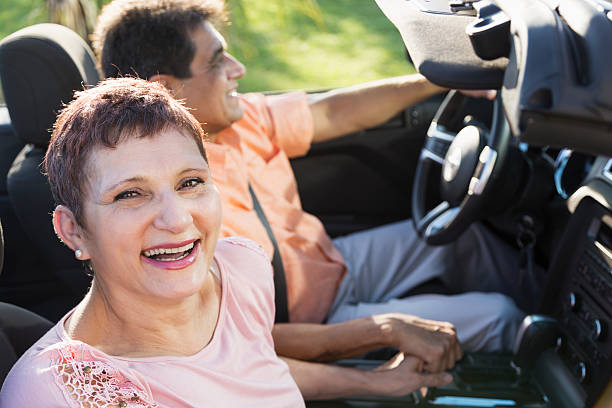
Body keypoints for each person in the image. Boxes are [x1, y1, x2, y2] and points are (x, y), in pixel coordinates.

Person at [92, 0, 542, 398]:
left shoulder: (236, 120)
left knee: (461, 237)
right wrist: (373, 332)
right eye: (216, 62)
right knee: (499, 316)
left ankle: (551, 302)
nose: (237, 69)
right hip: (317, 326)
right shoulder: (170, 208)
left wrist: (443, 79)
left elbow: (333, 110)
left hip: (331, 263)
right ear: (167, 90)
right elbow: (242, 340)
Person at [0, 78, 306, 407]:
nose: (176, 219)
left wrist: (365, 380)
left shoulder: (245, 269)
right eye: (130, 194)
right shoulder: (55, 394)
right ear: (73, 230)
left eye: (190, 182)